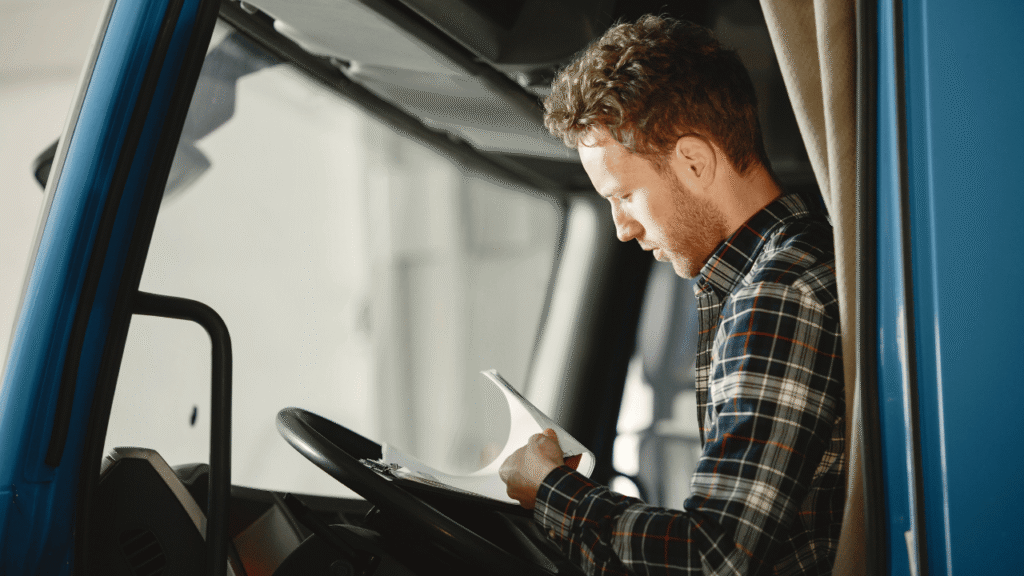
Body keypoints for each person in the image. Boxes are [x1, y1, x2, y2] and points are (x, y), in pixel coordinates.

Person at [499, 15, 846, 576]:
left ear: (694, 161)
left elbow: (715, 557)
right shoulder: (784, 269)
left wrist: (549, 490)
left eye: (627, 195)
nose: (621, 227)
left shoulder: (779, 294)